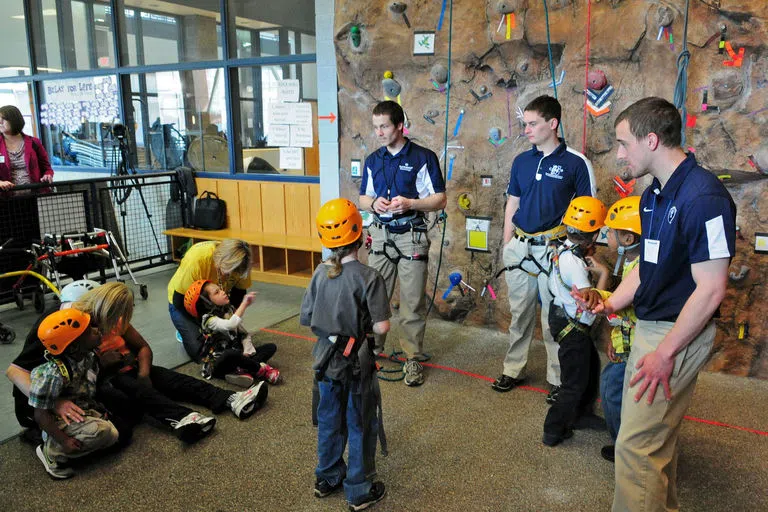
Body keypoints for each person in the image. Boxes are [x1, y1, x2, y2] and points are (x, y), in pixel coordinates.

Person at [575, 97, 736, 511]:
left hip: (674, 334)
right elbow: (647, 271)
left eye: (623, 143)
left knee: (636, 447)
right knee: (653, 444)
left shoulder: (705, 198)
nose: (619, 153)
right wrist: (609, 304)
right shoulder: (654, 196)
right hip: (651, 328)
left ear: (651, 139)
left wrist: (666, 352)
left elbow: (711, 289)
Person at [8, 282, 268, 446]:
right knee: (131, 389)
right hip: (74, 390)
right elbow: (14, 370)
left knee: (166, 378)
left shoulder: (108, 321)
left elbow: (142, 347)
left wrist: (144, 373)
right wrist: (54, 402)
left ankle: (230, 399)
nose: (113, 328)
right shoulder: (64, 325)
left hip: (110, 375)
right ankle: (181, 418)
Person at [492, 95, 596, 403]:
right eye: (525, 124)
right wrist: (507, 243)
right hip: (520, 248)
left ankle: (557, 377)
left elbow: (589, 211)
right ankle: (513, 368)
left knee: (554, 317)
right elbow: (513, 202)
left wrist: (573, 252)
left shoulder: (576, 163)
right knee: (519, 313)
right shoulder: (522, 161)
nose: (526, 130)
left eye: (533, 124)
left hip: (553, 251)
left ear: (552, 124)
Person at [301, 198, 391, 511]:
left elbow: (308, 318)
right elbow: (381, 327)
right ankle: (359, 490)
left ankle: (327, 477)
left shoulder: (319, 272)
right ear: (360, 233)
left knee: (329, 419)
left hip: (324, 362)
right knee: (360, 422)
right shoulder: (369, 277)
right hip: (356, 365)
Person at [358, 100, 446, 387]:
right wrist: (373, 203)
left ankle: (412, 358)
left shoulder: (423, 157)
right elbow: (363, 197)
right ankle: (372, 350)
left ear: (399, 126)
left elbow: (439, 199)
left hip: (411, 235)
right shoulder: (373, 160)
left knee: (411, 302)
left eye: (384, 126)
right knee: (374, 297)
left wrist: (411, 203)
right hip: (381, 235)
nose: (379, 132)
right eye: (375, 127)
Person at [578, 196, 642, 463]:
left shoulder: (638, 267)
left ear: (627, 238)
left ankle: (621, 445)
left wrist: (598, 297)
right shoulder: (633, 262)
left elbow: (626, 308)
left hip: (634, 347)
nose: (607, 236)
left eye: (611, 232)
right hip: (627, 342)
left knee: (612, 389)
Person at [542, 196, 610, 447]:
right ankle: (553, 428)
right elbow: (592, 304)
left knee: (590, 366)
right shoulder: (576, 265)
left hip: (562, 317)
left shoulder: (562, 251)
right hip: (573, 325)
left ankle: (582, 415)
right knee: (574, 381)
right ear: (592, 236)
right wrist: (603, 274)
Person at [29, 308, 120, 479]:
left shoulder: (87, 356)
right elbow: (40, 414)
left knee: (113, 436)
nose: (96, 330)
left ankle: (77, 444)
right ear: (74, 346)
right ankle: (51, 452)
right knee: (102, 431)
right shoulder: (53, 373)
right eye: (89, 332)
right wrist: (63, 440)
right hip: (56, 422)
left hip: (80, 410)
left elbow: (86, 386)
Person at [168, 239, 253, 360]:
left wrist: (229, 319)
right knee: (201, 352)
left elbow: (238, 295)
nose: (231, 275)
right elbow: (178, 300)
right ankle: (186, 330)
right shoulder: (198, 258)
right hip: (185, 304)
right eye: (229, 271)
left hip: (216, 305)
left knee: (234, 343)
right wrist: (206, 325)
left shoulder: (242, 262)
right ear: (221, 261)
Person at [184, 279, 280, 386]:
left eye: (220, 289)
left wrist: (247, 351)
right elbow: (230, 325)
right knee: (230, 354)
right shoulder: (208, 320)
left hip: (237, 354)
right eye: (217, 292)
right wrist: (244, 304)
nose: (222, 291)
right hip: (219, 362)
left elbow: (243, 333)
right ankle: (261, 370)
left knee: (271, 347)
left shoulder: (227, 309)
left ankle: (242, 370)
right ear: (207, 303)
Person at [0, 104, 54, 194]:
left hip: (34, 195)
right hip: (6, 198)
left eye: (3, 119)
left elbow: (47, 168)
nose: (0, 122)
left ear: (14, 120)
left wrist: (47, 175)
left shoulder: (34, 142)